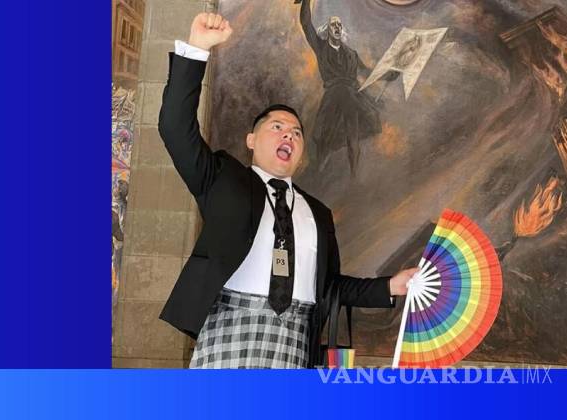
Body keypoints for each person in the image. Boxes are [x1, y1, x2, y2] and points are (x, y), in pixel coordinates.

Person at [157, 12, 417, 368]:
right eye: (277, 127)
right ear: (251, 140)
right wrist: (197, 49)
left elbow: (330, 286)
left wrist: (391, 286)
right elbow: (175, 127)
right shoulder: (222, 178)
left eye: (296, 133)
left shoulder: (318, 214)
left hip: (296, 338)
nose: (289, 136)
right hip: (228, 328)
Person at [298, 0, 382, 175]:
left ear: (341, 30)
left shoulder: (352, 54)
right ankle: (319, 169)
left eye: (339, 25)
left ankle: (354, 175)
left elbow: (367, 72)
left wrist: (389, 74)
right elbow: (306, 24)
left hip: (352, 96)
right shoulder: (321, 47)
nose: (336, 27)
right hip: (333, 97)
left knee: (353, 134)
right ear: (328, 30)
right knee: (324, 137)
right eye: (333, 24)